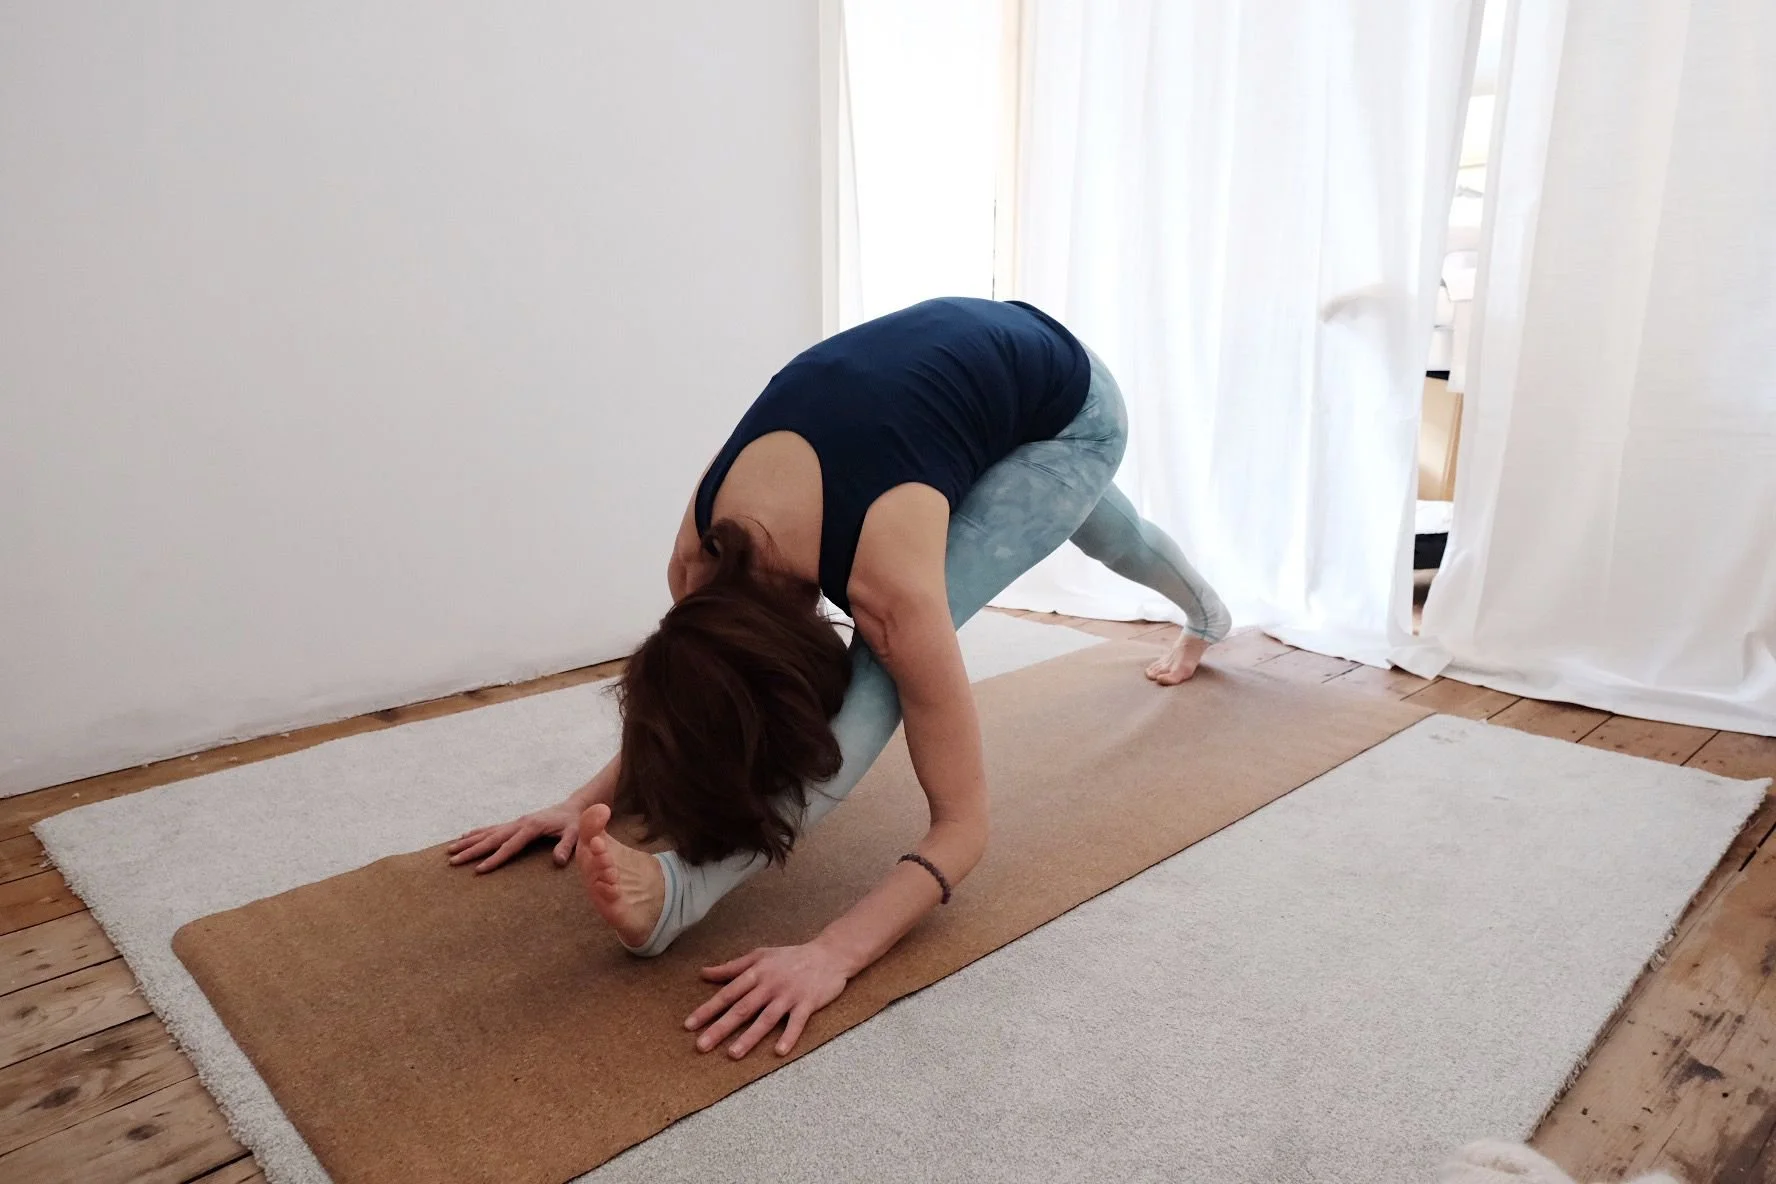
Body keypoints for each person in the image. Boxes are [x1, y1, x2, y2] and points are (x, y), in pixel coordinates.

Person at [447, 297, 1230, 1061]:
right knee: (1113, 531)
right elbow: (696, 687)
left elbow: (962, 830)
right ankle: (1211, 615)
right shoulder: (696, 561)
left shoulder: (888, 593)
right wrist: (582, 800)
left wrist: (834, 954)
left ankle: (686, 890)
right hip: (977, 366)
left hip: (1073, 406)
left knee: (889, 671)